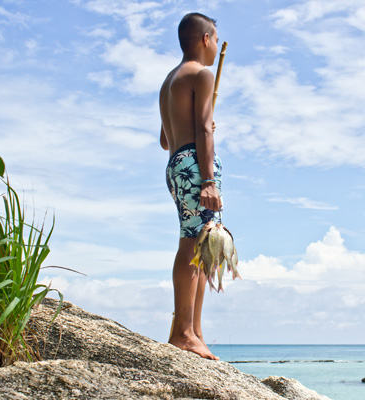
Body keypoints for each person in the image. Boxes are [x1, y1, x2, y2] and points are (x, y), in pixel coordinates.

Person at [159, 12, 222, 360]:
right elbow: (203, 132)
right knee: (193, 242)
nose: (215, 46)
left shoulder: (169, 80)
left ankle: (192, 330)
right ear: (205, 38)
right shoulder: (202, 73)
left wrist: (200, 123)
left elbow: (164, 140)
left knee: (200, 242)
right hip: (195, 166)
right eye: (214, 39)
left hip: (176, 163)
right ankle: (184, 331)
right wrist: (209, 180)